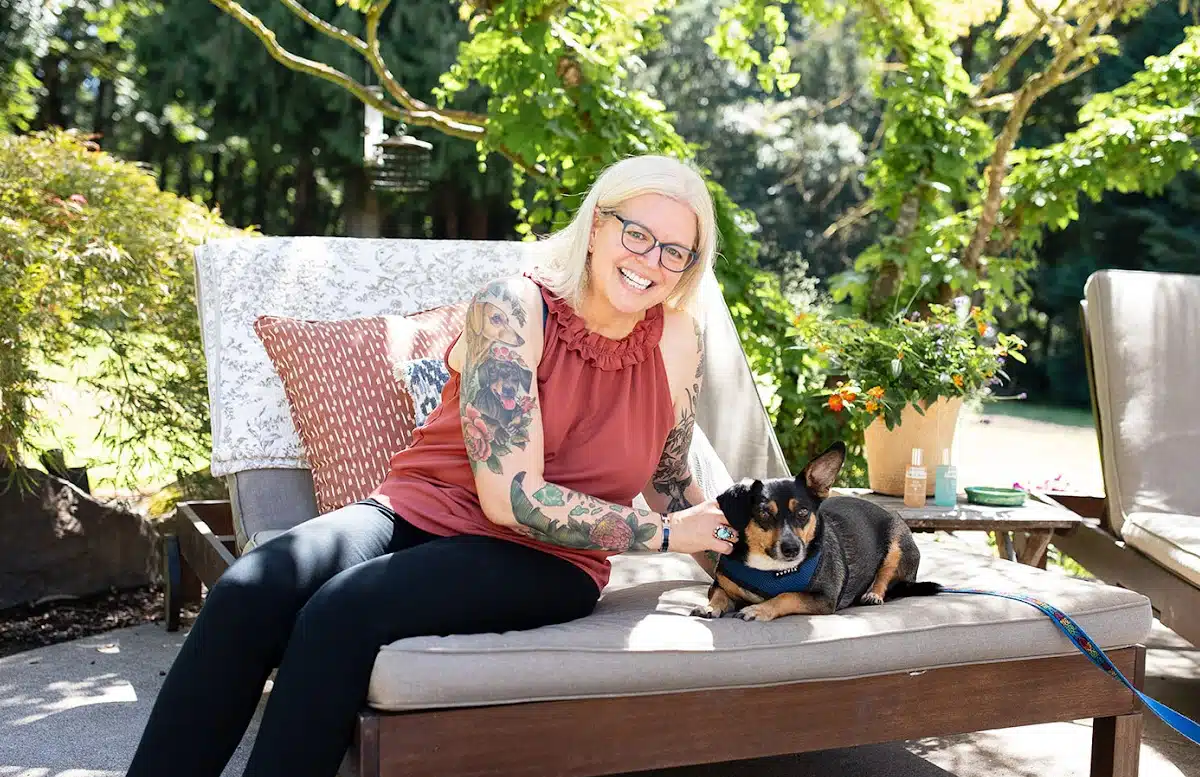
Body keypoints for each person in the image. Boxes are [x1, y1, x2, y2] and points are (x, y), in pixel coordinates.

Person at [125, 154, 740, 777]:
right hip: (421, 507)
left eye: (674, 252)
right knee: (248, 588)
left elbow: (668, 477)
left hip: (548, 560)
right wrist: (666, 535)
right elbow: (512, 497)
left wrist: (755, 560)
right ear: (598, 226)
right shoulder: (513, 307)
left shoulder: (677, 339)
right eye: (637, 234)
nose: (650, 261)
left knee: (341, 613)